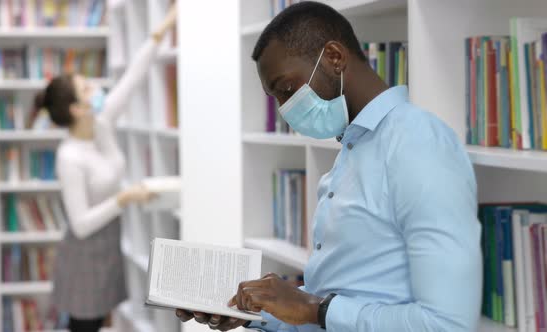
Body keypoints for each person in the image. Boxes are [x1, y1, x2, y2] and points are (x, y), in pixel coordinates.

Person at [176, 2, 481, 331]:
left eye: (287, 89)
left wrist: (315, 309)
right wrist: (257, 311)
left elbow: (447, 324)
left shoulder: (419, 143)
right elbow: (341, 299)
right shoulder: (354, 146)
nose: (285, 109)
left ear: (335, 58)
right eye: (276, 97)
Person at [37, 6, 177, 332]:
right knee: (85, 324)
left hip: (110, 246)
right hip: (84, 256)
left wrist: (165, 25)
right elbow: (81, 225)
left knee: (101, 320)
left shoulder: (102, 122)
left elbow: (134, 76)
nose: (97, 91)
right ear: (77, 109)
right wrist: (124, 198)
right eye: (87, 89)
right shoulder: (69, 157)